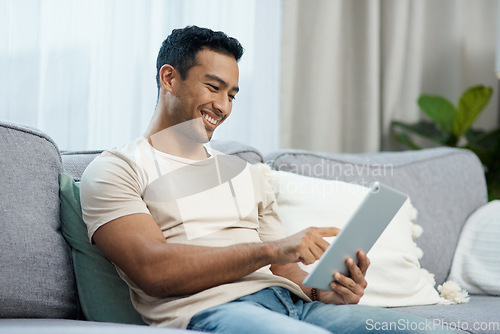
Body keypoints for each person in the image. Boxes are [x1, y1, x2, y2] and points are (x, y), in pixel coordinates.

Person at [80, 26, 452, 333]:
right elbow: (152, 270)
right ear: (169, 78)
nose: (223, 107)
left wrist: (326, 292)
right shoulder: (117, 168)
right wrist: (271, 250)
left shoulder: (247, 174)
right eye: (213, 88)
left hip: (296, 307)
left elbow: (284, 270)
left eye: (232, 95)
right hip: (213, 313)